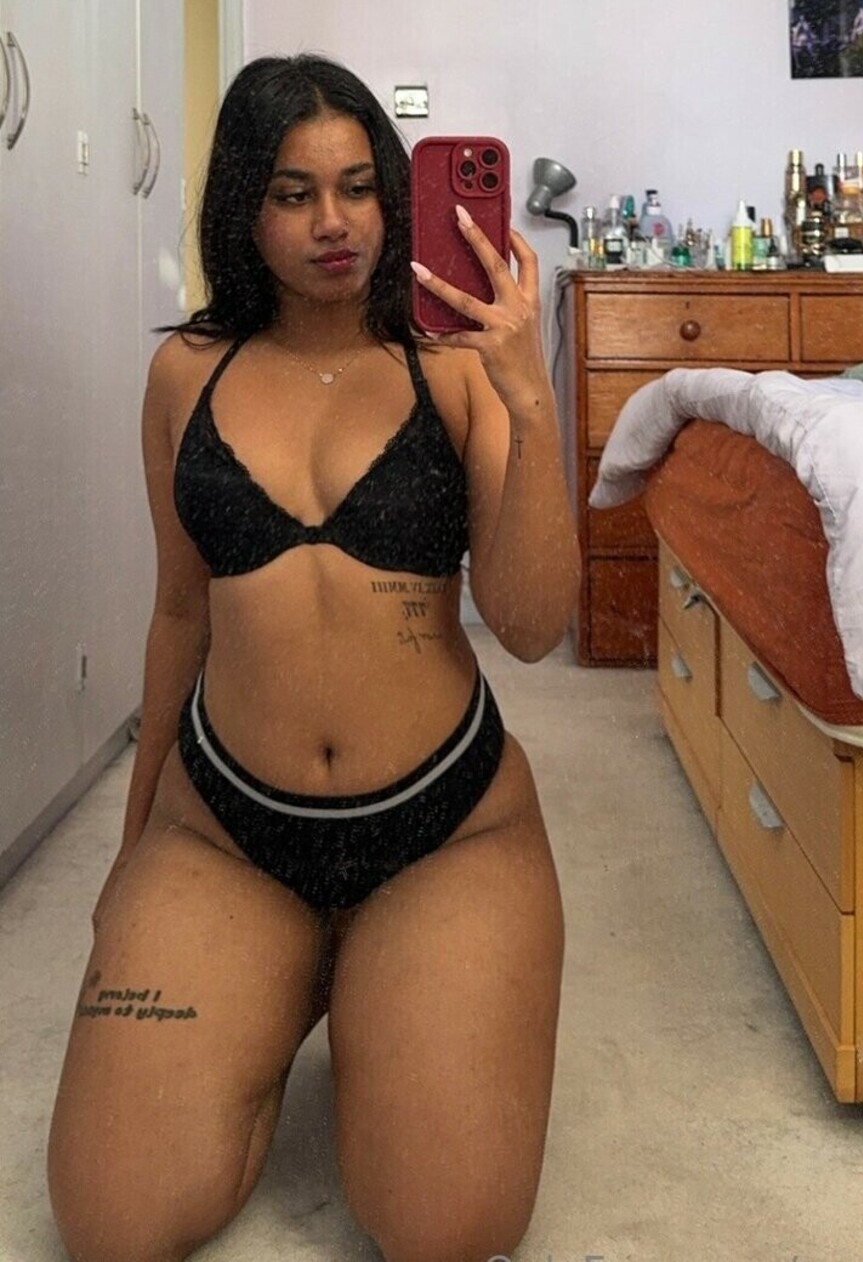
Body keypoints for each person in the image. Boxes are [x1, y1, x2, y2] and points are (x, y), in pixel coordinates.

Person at [47, 52, 580, 1262]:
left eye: (357, 188)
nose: (333, 223)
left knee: (445, 1227)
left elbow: (533, 623)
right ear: (246, 205)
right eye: (293, 194)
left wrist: (530, 399)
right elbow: (179, 612)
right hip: (227, 832)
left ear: (395, 195)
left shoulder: (459, 367)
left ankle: (381, 988)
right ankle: (286, 981)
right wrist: (132, 853)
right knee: (111, 1220)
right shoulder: (185, 373)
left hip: (445, 834)